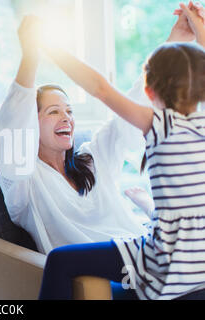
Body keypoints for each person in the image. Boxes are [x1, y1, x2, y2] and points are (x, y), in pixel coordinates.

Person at [38, 1, 205, 300]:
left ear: (149, 92)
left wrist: (51, 48)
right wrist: (197, 28)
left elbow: (100, 88)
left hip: (166, 263)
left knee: (60, 260)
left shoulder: (158, 123)